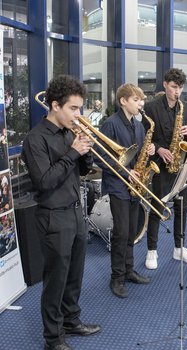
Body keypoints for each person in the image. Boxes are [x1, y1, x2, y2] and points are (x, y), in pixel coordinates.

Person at [22, 75, 101, 350]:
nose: (78, 115)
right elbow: (44, 181)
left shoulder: (70, 133)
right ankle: (53, 339)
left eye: (80, 108)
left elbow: (79, 171)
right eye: (74, 108)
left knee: (74, 275)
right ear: (55, 105)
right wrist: (72, 152)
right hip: (52, 215)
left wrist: (85, 153)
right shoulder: (35, 139)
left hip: (75, 211)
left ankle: (72, 321)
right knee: (55, 280)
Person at [94, 84, 152, 298]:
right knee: (121, 233)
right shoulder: (110, 124)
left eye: (141, 100)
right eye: (136, 100)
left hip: (135, 186)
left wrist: (150, 150)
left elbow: (139, 155)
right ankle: (116, 278)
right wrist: (126, 172)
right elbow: (99, 156)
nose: (141, 104)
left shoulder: (139, 125)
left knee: (131, 232)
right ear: (123, 101)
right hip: (119, 185)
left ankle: (128, 270)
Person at [143, 68, 187, 269]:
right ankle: (152, 250)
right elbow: (145, 137)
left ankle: (179, 248)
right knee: (157, 208)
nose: (177, 92)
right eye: (174, 87)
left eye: (180, 88)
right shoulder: (150, 108)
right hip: (161, 165)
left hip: (182, 164)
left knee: (182, 208)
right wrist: (159, 149)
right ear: (165, 84)